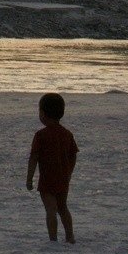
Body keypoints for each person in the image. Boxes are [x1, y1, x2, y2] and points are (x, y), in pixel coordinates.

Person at [26, 92, 79, 243]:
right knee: (63, 208)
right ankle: (70, 236)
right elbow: (73, 155)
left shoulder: (41, 135)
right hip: (63, 178)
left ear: (42, 113)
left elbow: (34, 158)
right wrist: (69, 172)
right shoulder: (67, 134)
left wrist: (29, 179)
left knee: (51, 210)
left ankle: (53, 238)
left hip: (47, 179)